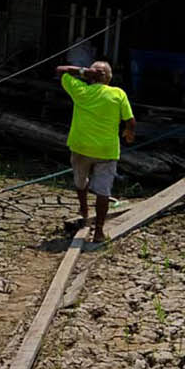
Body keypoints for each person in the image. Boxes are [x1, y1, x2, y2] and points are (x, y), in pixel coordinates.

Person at [56, 60, 135, 243]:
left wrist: (84, 72)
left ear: (91, 75)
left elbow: (61, 70)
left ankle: (84, 209)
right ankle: (99, 231)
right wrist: (129, 134)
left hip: (81, 147)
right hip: (106, 150)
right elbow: (130, 121)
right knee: (103, 191)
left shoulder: (80, 90)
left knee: (80, 181)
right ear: (109, 78)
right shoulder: (118, 94)